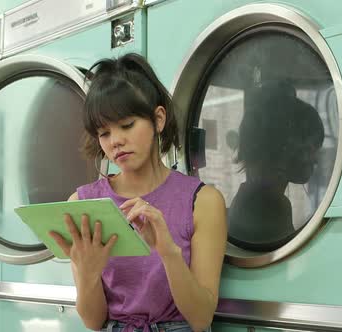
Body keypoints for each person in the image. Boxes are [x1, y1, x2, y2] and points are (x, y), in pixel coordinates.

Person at [49, 53, 227, 332]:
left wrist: (167, 251)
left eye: (127, 125)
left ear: (158, 120)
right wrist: (88, 274)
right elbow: (94, 322)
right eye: (104, 133)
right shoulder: (83, 203)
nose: (116, 141)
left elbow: (201, 318)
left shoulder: (202, 202)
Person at [227, 81, 324, 251]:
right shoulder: (270, 207)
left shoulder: (252, 197)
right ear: (284, 146)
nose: (315, 159)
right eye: (311, 147)